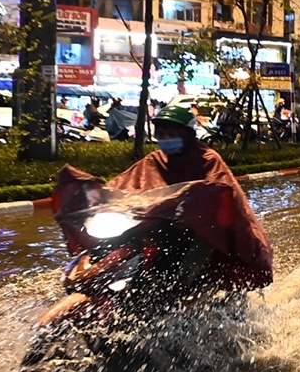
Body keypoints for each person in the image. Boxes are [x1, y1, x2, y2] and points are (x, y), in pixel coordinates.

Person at [57, 104, 273, 285]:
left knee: (184, 274)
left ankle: (180, 296)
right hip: (155, 224)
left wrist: (190, 204)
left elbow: (219, 193)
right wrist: (96, 198)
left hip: (199, 230)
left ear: (187, 136)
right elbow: (124, 184)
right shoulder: (154, 160)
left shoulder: (208, 159)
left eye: (172, 134)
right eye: (161, 134)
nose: (165, 139)